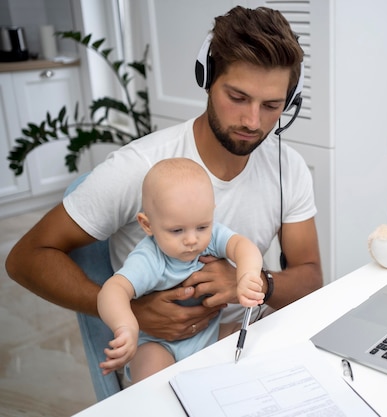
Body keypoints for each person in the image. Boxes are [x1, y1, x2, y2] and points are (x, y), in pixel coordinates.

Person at [5, 5, 323, 395]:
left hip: (238, 344)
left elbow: (310, 277)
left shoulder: (287, 167)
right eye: (237, 97)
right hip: (157, 361)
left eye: (272, 106)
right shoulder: (139, 168)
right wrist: (134, 314)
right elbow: (25, 258)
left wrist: (260, 281)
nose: (253, 122)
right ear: (206, 77)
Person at [98, 158, 264, 383]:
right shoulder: (150, 257)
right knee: (152, 376)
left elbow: (242, 246)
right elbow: (114, 289)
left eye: (202, 227)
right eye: (177, 230)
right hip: (160, 344)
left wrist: (247, 275)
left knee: (256, 344)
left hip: (209, 336)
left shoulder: (211, 236)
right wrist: (126, 326)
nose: (192, 240)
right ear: (147, 224)